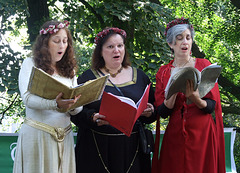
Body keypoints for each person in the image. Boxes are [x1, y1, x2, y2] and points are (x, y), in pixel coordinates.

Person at [71, 27, 156, 173]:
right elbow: (75, 112)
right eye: (110, 47)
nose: (116, 50)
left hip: (132, 149)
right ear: (101, 52)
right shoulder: (87, 78)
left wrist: (150, 112)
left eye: (120, 46)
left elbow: (153, 111)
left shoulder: (141, 77)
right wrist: (92, 117)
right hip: (97, 149)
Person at [151, 17, 226, 173]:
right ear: (171, 44)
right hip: (175, 133)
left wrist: (195, 97)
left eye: (188, 37)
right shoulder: (163, 72)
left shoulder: (203, 64)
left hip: (202, 132)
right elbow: (163, 112)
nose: (185, 42)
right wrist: (172, 92)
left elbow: (211, 106)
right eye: (179, 39)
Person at [13, 20, 83, 173]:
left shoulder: (69, 70)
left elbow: (76, 110)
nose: (62, 46)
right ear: (45, 43)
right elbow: (28, 98)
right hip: (37, 137)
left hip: (65, 137)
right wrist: (55, 104)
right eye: (56, 41)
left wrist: (74, 104)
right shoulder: (30, 63)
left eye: (65, 41)